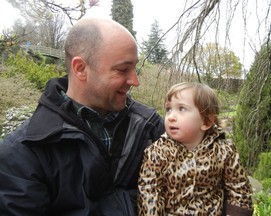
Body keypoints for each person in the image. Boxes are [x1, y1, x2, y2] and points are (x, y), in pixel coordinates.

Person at [0, 18, 164, 215]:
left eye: (134, 68)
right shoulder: (23, 154)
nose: (135, 81)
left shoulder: (152, 128)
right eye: (122, 70)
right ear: (80, 69)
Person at [137, 82, 254, 215]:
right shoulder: (156, 152)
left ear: (206, 122)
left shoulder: (224, 150)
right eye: (168, 109)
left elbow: (239, 188)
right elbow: (149, 192)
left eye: (181, 109)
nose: (170, 117)